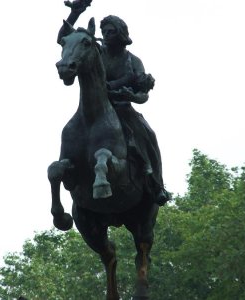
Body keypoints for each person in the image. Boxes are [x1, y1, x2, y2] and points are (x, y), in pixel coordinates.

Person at [58, 0, 170, 205]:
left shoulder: (132, 61)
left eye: (110, 32)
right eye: (104, 31)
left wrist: (131, 96)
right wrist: (75, 14)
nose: (106, 35)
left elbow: (143, 95)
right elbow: (66, 40)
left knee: (149, 134)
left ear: (121, 34)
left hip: (123, 110)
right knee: (70, 130)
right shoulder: (96, 51)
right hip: (93, 106)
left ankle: (156, 184)